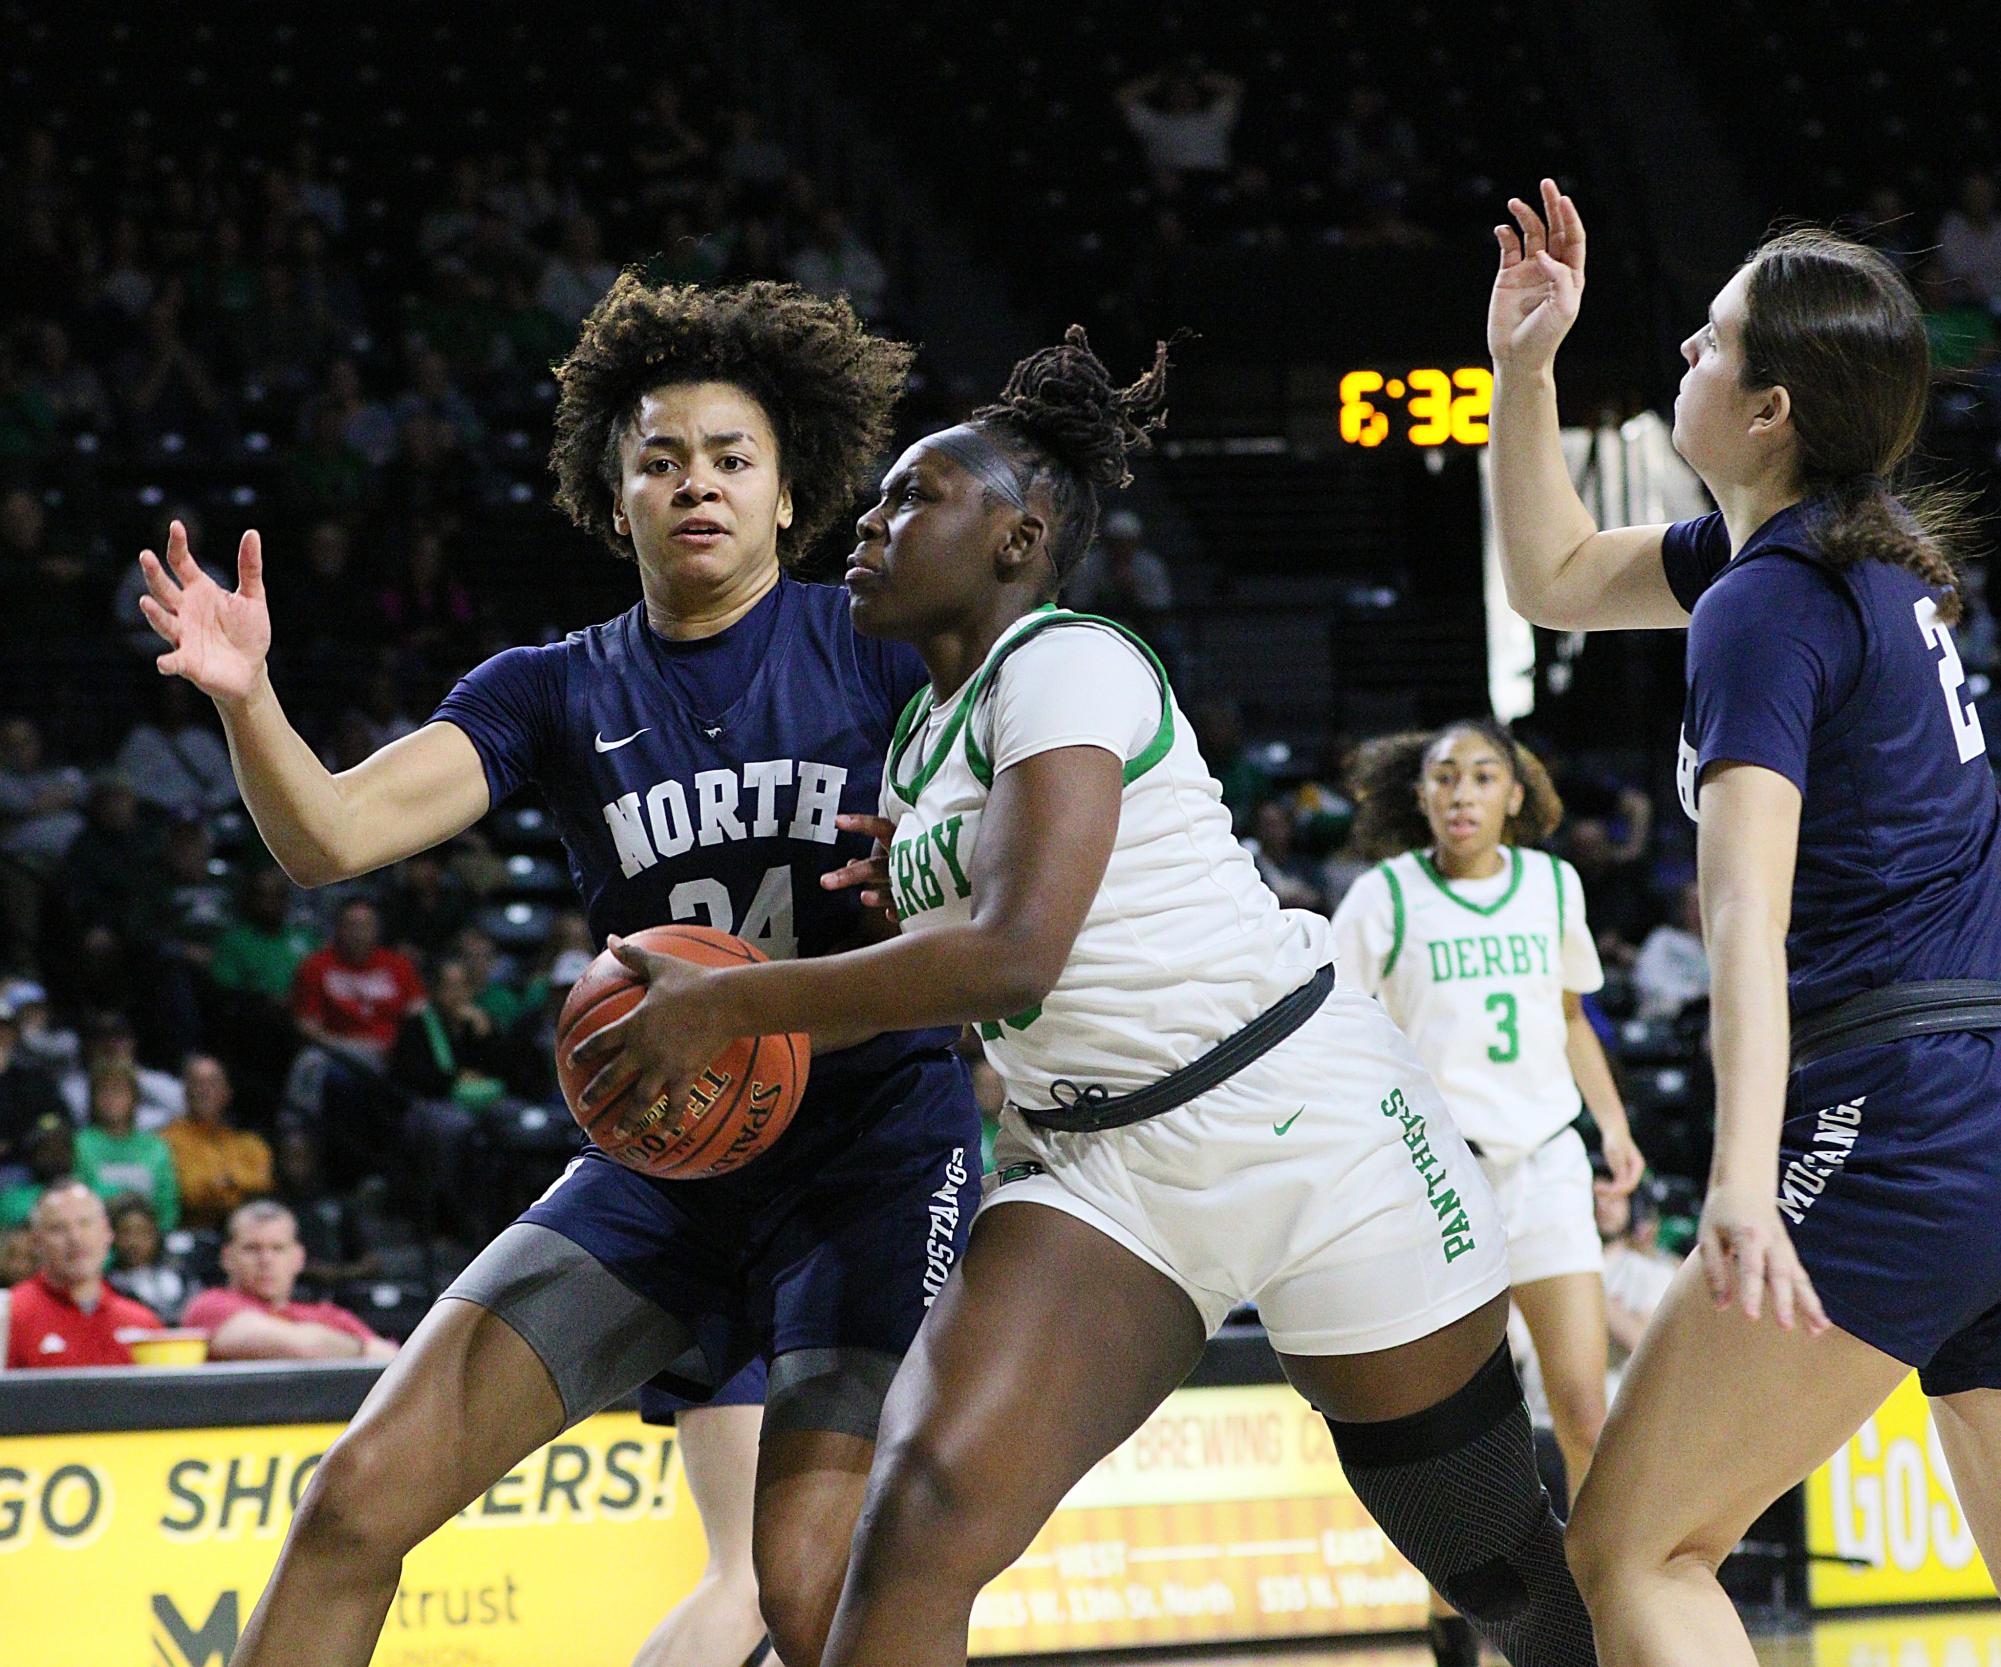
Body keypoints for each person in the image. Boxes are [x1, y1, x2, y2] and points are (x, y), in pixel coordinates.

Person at [575, 328, 1594, 1667]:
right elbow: (963, 990)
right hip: (1099, 1158)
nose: (870, 519)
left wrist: (736, 1009)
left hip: (1308, 1118)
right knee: (922, 1512)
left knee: (1493, 1561)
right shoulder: (918, 742)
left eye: (915, 497)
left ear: (1019, 536)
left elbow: (1012, 955)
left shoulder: (1069, 655)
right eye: (877, 499)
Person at [134, 275, 980, 1667]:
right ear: (615, 491)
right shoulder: (552, 685)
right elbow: (331, 835)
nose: (694, 482)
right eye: (659, 458)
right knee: (351, 1499)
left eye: (730, 457)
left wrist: (946, 858)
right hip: (667, 1149)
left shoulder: (882, 642)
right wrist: (250, 700)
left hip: (874, 1147)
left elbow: (1021, 863)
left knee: (813, 1586)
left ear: (789, 493)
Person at [1488, 179, 2001, 1664]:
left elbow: (1738, 913)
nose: (1682, 365)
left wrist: (1737, 1180)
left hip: (1891, 1111)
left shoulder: (1766, 607)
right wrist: (1526, 368)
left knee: (1632, 1544)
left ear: (1770, 404)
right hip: (1972, 1094)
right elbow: (1556, 578)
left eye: (1708, 348)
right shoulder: (1852, 553)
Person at [1331, 718, 1646, 1667]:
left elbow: (1569, 1018)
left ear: (1516, 793)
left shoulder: (1555, 884)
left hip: (1545, 1159)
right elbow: (1336, 1030)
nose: (1461, 792)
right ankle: (1452, 1632)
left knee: (1585, 1411)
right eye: (1442, 777)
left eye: (1481, 776)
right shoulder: (1382, 897)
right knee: (1459, 1440)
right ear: (1417, 795)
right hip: (1434, 1172)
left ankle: (1604, 1613)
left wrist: (1616, 1126)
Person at [183, 1201, 396, 1361]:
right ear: (227, 1258)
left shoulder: (330, 1316)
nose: (266, 1260)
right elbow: (300, 1347)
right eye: (252, 1249)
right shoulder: (209, 1306)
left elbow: (395, 1361)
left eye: (278, 1248)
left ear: (298, 1258)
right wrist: (361, 1349)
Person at [0, 1180, 163, 1369]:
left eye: (85, 1223)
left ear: (107, 1233)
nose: (75, 1238)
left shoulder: (142, 1323)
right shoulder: (9, 1317)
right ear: (36, 1241)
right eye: (58, 1228)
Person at [161, 1054, 274, 1231]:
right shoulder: (167, 1139)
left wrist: (220, 1183)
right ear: (185, 1091)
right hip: (190, 1233)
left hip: (244, 1232)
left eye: (212, 1083)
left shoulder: (250, 1144)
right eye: (197, 1083)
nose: (204, 1091)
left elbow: (263, 1185)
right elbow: (189, 1192)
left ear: (227, 1092)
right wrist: (235, 1185)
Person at [73, 1062, 181, 1232]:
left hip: (149, 1242)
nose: (111, 1099)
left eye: (119, 1091)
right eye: (104, 1091)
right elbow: (78, 1198)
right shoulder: (80, 1144)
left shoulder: (156, 1147)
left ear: (134, 1098)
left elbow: (167, 1206)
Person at [107, 1192, 189, 1323]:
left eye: (143, 1232)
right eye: (126, 1232)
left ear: (156, 1234)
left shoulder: (178, 1278)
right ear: (111, 1236)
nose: (134, 1242)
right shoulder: (107, 1287)